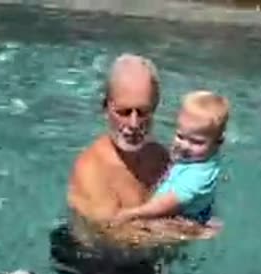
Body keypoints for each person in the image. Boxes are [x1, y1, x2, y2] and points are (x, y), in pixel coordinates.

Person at [64, 54, 217, 248]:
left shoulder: (160, 157)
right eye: (124, 112)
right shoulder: (91, 168)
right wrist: (190, 232)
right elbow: (110, 234)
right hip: (93, 267)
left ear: (155, 107)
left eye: (143, 112)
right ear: (106, 107)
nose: (134, 124)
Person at [112, 90, 229, 227]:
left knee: (131, 233)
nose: (184, 146)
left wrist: (132, 213)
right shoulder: (201, 155)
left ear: (218, 142)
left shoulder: (198, 175)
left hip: (179, 218)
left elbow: (166, 204)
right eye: (180, 136)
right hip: (192, 206)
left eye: (196, 142)